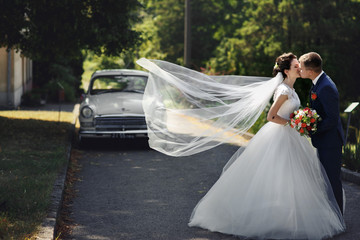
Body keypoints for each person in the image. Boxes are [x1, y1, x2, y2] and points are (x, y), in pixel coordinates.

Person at [137, 53, 345, 239]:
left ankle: (294, 216)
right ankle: (274, 219)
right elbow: (271, 116)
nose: (298, 67)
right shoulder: (283, 90)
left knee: (297, 180)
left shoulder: (292, 88)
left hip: (291, 136)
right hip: (280, 135)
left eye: (299, 65)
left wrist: (299, 121)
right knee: (278, 178)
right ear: (286, 70)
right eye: (295, 65)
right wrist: (294, 122)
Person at [299, 52, 345, 214]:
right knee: (326, 181)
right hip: (325, 141)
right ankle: (331, 216)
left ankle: (338, 217)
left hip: (330, 143)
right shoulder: (318, 82)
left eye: (301, 68)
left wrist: (312, 129)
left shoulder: (325, 87)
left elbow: (332, 119)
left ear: (310, 71)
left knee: (332, 181)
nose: (299, 70)